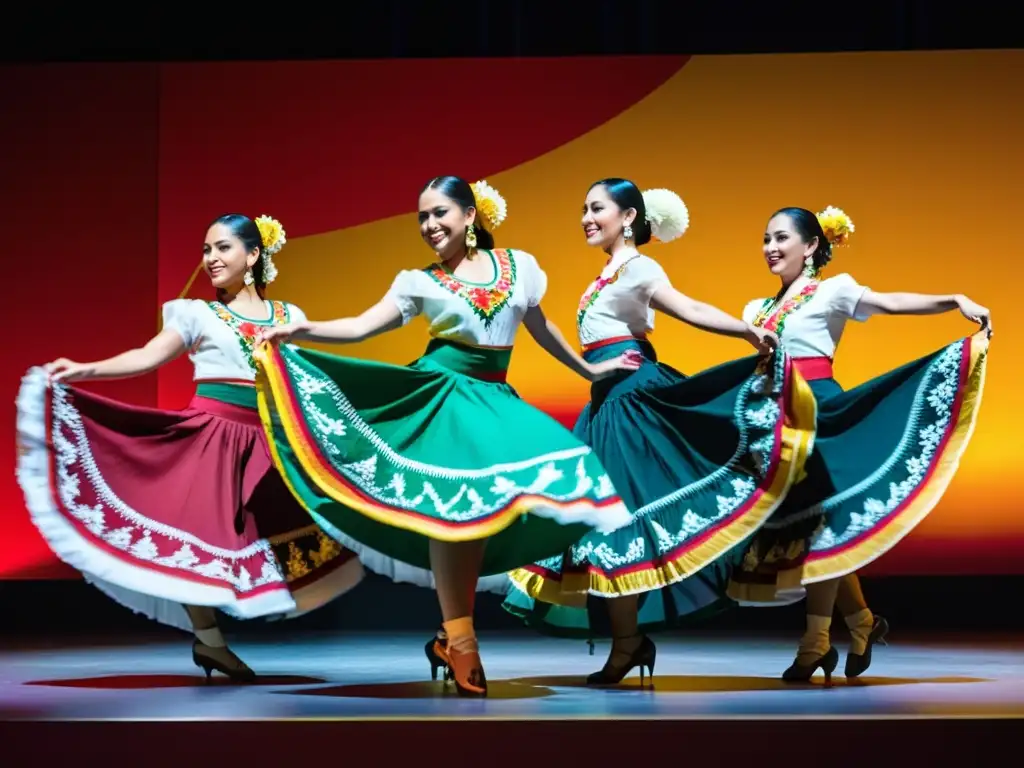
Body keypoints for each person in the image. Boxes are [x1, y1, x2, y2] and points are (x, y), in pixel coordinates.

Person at [253, 176, 637, 697]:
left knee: (555, 481)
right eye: (422, 218)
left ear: (470, 215)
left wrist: (589, 373)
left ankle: (449, 634)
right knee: (454, 516)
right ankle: (461, 640)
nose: (430, 226)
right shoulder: (418, 280)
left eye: (439, 213)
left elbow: (542, 329)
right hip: (441, 399)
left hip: (495, 400)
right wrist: (298, 330)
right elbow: (364, 326)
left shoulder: (520, 267)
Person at [15, 214, 364, 681]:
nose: (211, 260)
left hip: (267, 442)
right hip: (211, 438)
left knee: (283, 536)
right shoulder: (198, 314)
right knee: (195, 538)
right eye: (206, 250)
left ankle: (214, 640)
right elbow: (148, 355)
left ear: (254, 255)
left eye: (222, 248)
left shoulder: (289, 317)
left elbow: (302, 383)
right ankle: (211, 641)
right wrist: (85, 369)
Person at [501, 179, 817, 685]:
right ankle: (627, 641)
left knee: (622, 521)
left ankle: (629, 643)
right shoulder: (606, 273)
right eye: (583, 208)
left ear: (628, 217)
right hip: (607, 404)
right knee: (603, 525)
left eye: (597, 208)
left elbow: (686, 308)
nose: (586, 216)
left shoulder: (641, 268)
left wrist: (745, 331)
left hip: (634, 401)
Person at [726, 206, 991, 685]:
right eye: (765, 238)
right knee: (809, 532)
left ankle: (816, 644)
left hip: (822, 413)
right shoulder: (755, 310)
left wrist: (953, 299)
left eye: (781, 238)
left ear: (810, 247)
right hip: (779, 422)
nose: (769, 247)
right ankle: (863, 623)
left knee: (822, 533)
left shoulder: (833, 291)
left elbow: (891, 303)